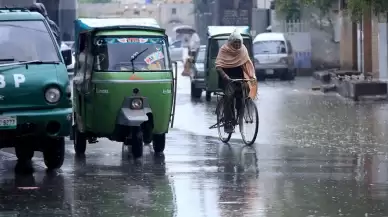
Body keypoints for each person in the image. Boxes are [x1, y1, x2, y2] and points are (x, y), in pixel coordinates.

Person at [215, 29, 257, 133]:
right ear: (230, 42)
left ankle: (240, 114)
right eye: (235, 42)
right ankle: (228, 122)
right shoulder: (224, 49)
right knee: (229, 96)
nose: (237, 44)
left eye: (239, 42)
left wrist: (252, 76)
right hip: (227, 78)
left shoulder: (243, 50)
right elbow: (218, 66)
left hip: (239, 77)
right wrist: (225, 77)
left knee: (243, 94)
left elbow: (248, 63)